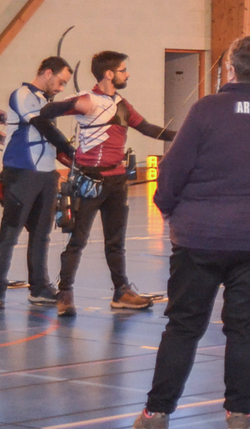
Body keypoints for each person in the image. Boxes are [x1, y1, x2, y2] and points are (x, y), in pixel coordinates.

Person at [133, 36, 250, 429]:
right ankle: (239, 414)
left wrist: (166, 207)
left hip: (199, 235)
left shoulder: (206, 110)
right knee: (245, 326)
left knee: (184, 325)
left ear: (230, 69)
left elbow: (173, 169)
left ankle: (156, 415)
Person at [38, 50, 176, 316]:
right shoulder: (88, 100)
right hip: (91, 180)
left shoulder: (121, 104)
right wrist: (74, 108)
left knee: (116, 241)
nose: (127, 74)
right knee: (77, 240)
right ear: (109, 74)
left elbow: (148, 128)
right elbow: (45, 112)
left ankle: (121, 292)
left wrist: (187, 133)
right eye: (123, 70)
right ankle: (64, 293)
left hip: (117, 180)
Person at [0, 57, 75, 307]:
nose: (61, 87)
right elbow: (41, 125)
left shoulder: (44, 101)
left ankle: (40, 287)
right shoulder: (22, 94)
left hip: (46, 175)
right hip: (21, 173)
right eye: (60, 82)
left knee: (42, 234)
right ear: (47, 72)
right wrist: (68, 147)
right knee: (10, 234)